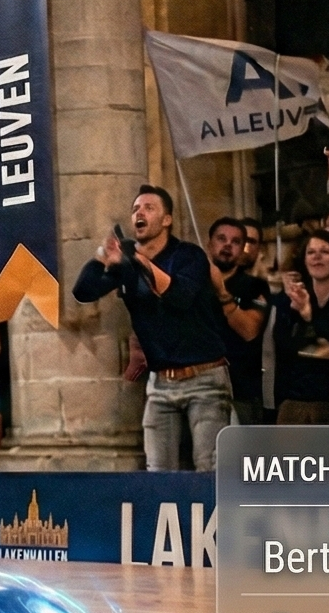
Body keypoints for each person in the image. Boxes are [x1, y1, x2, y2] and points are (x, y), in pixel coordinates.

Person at [74, 186, 230, 472]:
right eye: (135, 209)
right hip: (160, 384)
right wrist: (102, 257)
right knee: (158, 472)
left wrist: (140, 260)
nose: (139, 213)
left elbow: (179, 297)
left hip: (204, 378)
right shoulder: (128, 265)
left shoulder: (188, 255)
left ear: (167, 219)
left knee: (209, 469)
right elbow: (83, 292)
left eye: (148, 208)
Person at [272, 232, 329, 425]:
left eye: (325, 252)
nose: (317, 257)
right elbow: (285, 348)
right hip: (294, 401)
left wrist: (310, 317)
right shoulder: (292, 298)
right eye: (311, 252)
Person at [207, 218, 272, 424]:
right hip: (198, 387)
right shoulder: (193, 283)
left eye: (235, 242)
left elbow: (249, 330)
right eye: (221, 239)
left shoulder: (255, 286)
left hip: (240, 389)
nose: (228, 245)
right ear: (209, 244)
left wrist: (223, 294)